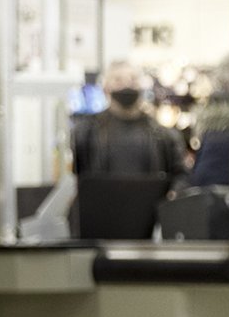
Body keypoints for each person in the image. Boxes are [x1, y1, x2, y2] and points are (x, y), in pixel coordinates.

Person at [71, 63, 190, 236]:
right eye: (118, 80)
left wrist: (173, 194)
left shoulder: (164, 135)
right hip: (100, 226)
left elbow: (182, 174)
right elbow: (74, 176)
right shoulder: (85, 133)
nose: (126, 85)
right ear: (106, 88)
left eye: (132, 80)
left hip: (149, 227)